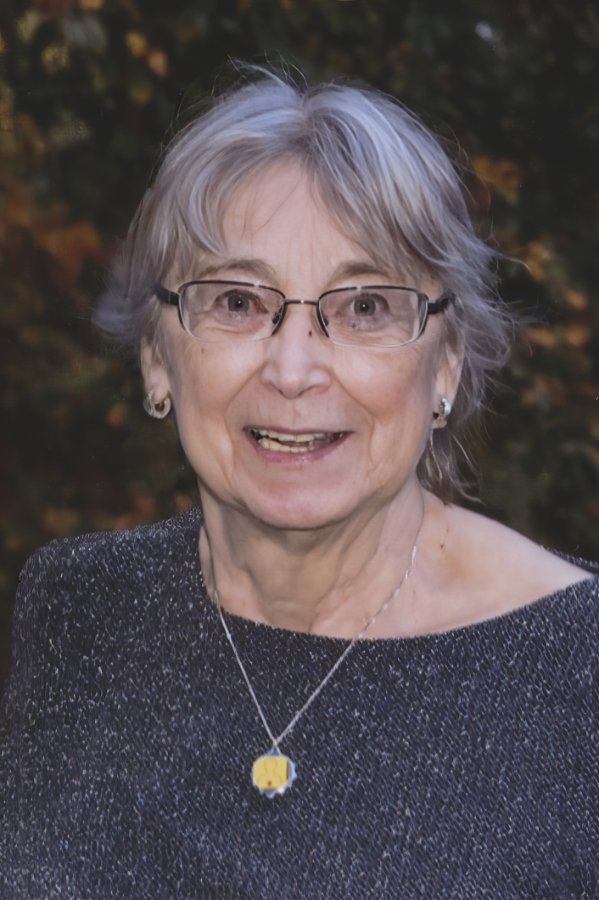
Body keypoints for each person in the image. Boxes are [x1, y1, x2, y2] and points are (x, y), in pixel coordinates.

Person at [1, 69, 597, 899]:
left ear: (445, 364)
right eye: (238, 302)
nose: (292, 370)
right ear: (156, 357)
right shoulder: (78, 609)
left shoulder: (577, 670)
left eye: (364, 308)